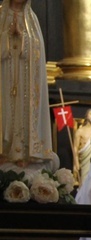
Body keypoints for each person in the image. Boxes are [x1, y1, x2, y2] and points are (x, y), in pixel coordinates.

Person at [0, 0, 55, 169]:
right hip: (4, 76)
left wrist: (22, 37)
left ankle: (22, 153)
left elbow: (36, 52)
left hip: (25, 79)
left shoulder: (31, 19)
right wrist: (7, 37)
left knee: (22, 112)